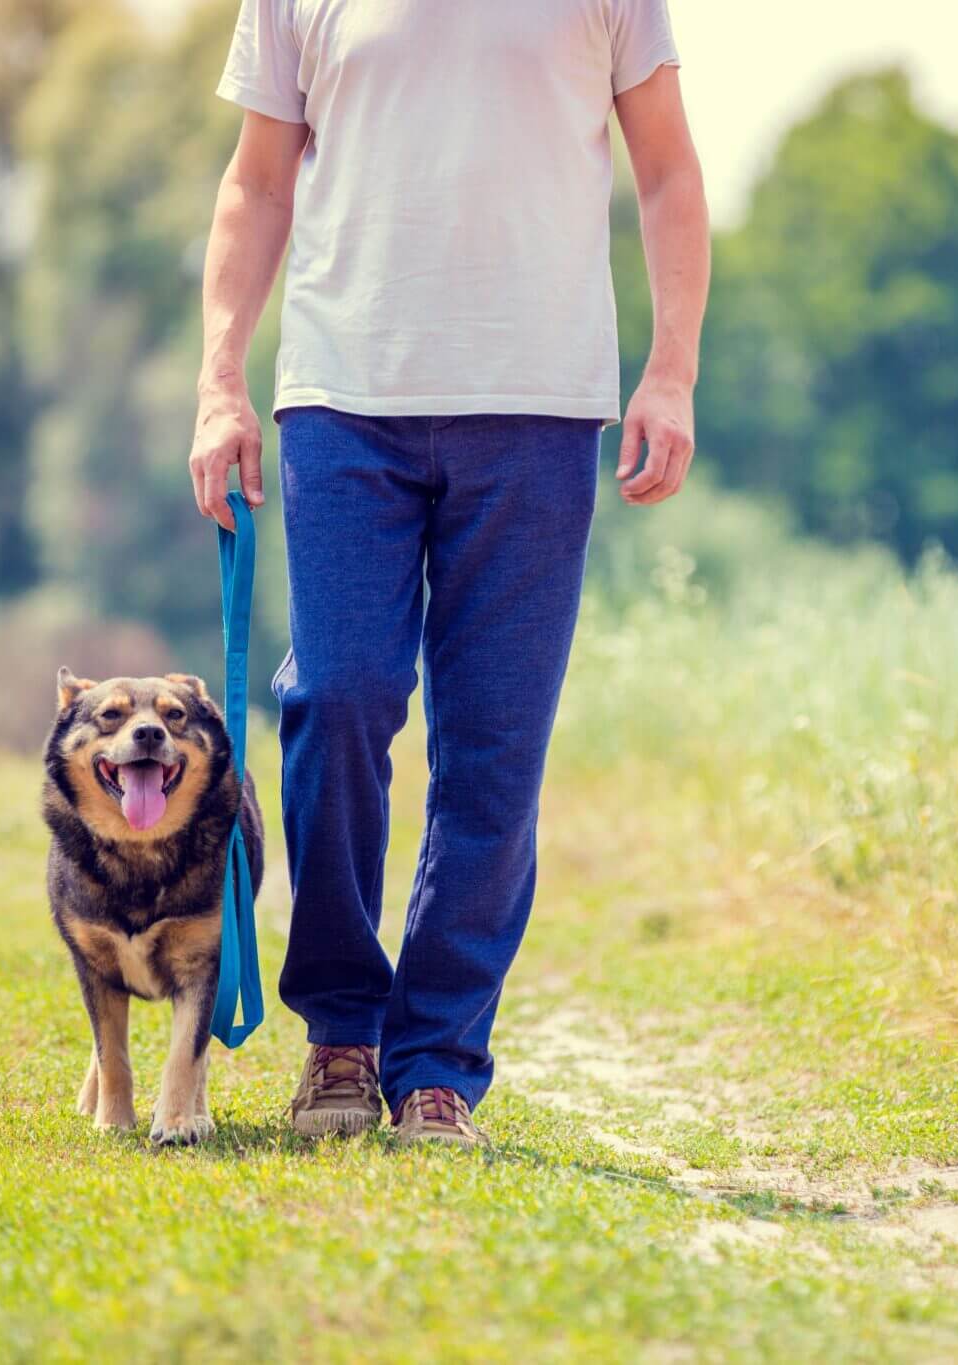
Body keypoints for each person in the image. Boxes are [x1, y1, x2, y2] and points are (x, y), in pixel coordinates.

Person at [188, 0, 709, 1146]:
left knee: (493, 747)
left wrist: (669, 373)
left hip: (537, 408)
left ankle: (435, 1064)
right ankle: (339, 1033)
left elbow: (667, 171)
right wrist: (219, 378)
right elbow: (257, 181)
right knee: (337, 696)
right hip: (341, 399)